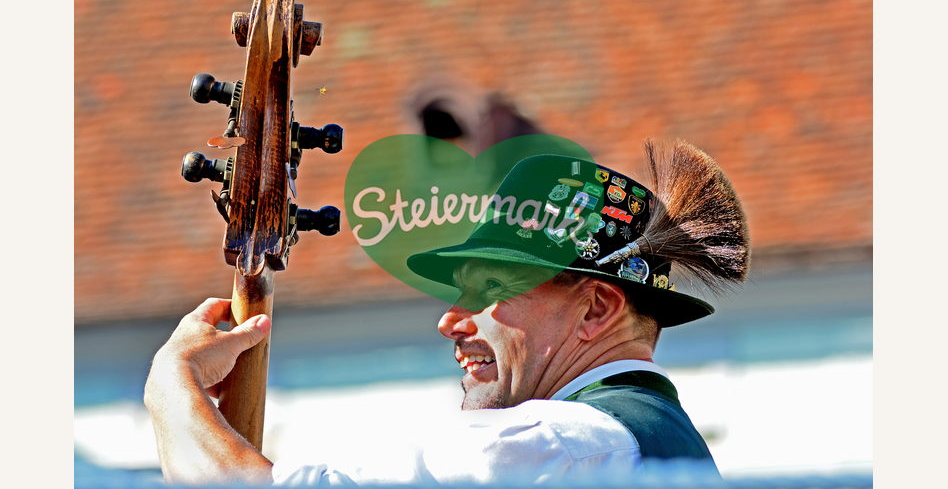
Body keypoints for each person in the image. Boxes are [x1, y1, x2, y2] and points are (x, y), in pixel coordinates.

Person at [145, 141, 750, 486]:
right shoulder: (644, 444)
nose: (451, 321)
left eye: (490, 289)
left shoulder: (560, 446)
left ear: (595, 308)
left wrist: (172, 393)